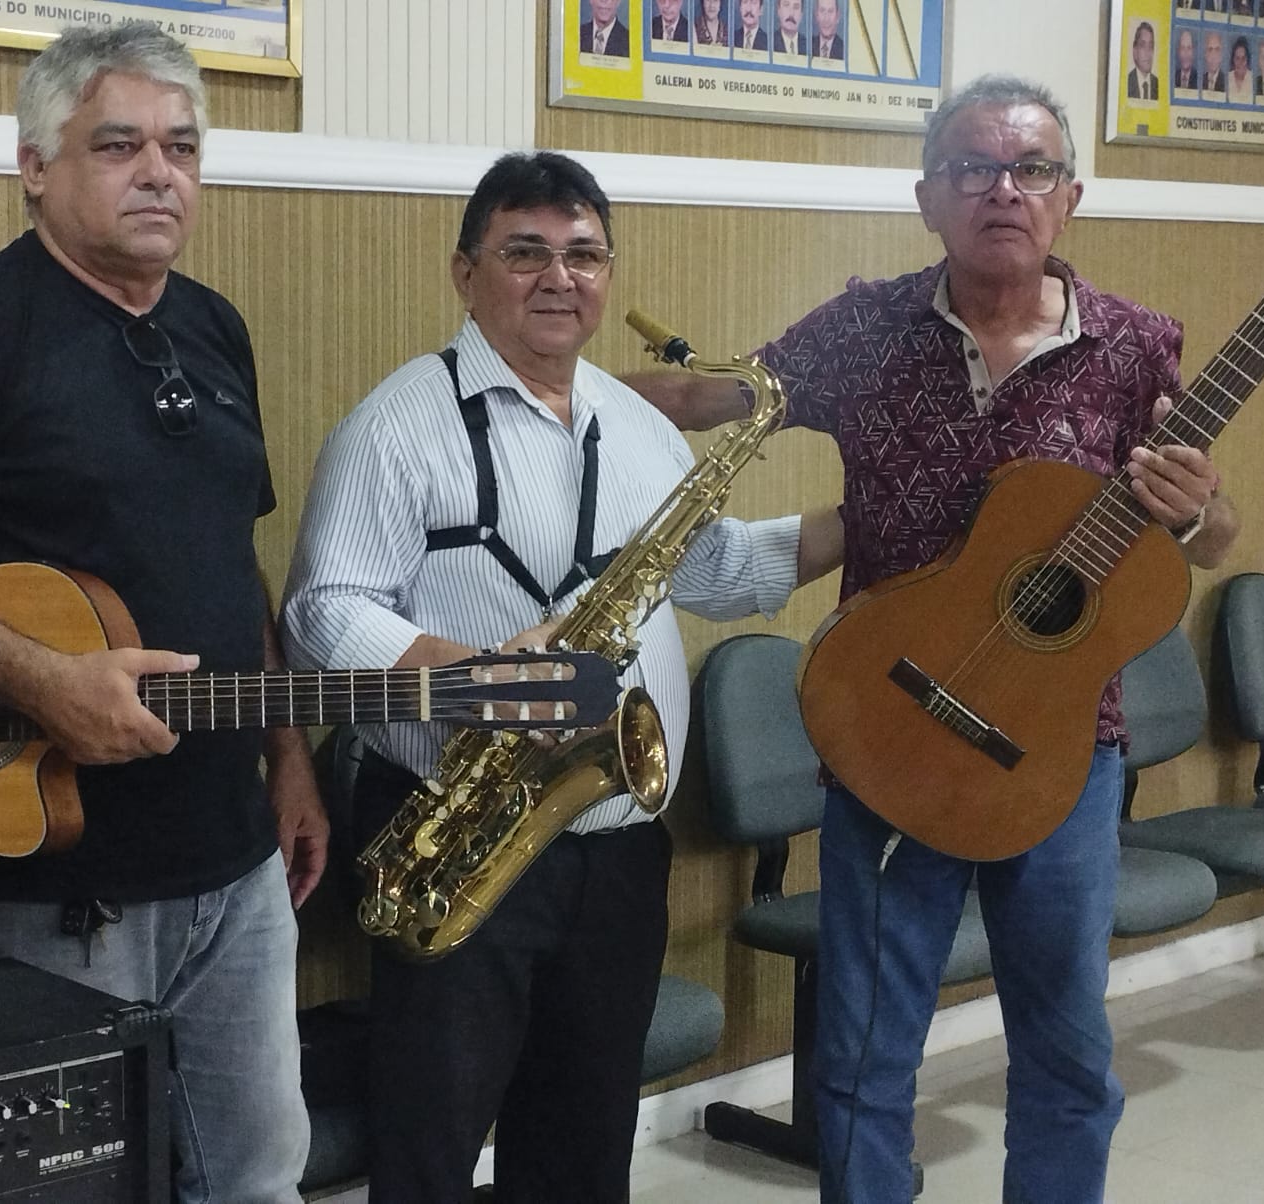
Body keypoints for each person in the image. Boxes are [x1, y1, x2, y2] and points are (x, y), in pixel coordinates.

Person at [629, 75, 1239, 1204]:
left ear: (1070, 196)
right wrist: (552, 389)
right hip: (891, 731)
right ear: (926, 197)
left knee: (1067, 1053)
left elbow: (1206, 538)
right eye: (972, 168)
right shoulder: (862, 328)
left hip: (1061, 753)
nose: (1003, 190)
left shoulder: (1136, 347)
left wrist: (1201, 513)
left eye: (1031, 169)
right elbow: (719, 399)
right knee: (862, 1055)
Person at [0, 23, 325, 1204]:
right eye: (119, 145)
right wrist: (44, 680)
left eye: (182, 147)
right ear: (34, 166)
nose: (160, 173)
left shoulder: (214, 327)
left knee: (256, 1183)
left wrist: (288, 761)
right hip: (61, 889)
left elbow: (231, 563)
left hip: (236, 871)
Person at [281, 150, 840, 1204]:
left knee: (584, 1147)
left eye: (584, 255)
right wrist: (476, 675)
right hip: (459, 823)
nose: (559, 277)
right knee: (431, 1146)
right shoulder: (397, 423)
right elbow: (321, 611)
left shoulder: (638, 424)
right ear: (466, 273)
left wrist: (866, 525)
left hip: (617, 844)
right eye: (525, 252)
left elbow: (712, 570)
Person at [1128, 21, 1160, 99]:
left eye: (1151, 46)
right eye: (1143, 46)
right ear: (1135, 51)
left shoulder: (1158, 84)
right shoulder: (1126, 82)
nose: (1147, 52)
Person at [1229, 35, 1256, 99]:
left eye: (1243, 58)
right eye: (1237, 58)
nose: (1240, 62)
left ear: (1247, 60)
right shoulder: (1227, 78)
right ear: (1233, 59)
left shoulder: (1253, 79)